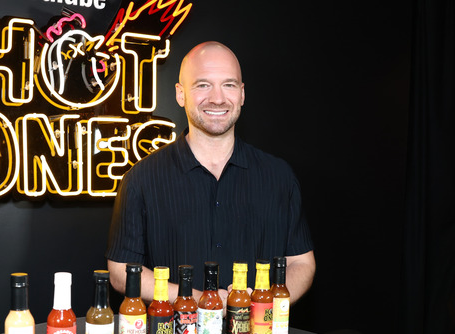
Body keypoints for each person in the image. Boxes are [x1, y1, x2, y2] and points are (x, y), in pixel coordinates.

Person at [105, 41, 316, 306]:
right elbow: (121, 271)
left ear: (241, 94)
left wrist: (262, 305)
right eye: (203, 85)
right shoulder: (141, 179)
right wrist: (202, 301)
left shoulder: (280, 177)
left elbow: (302, 263)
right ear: (180, 94)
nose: (217, 98)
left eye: (228, 85)